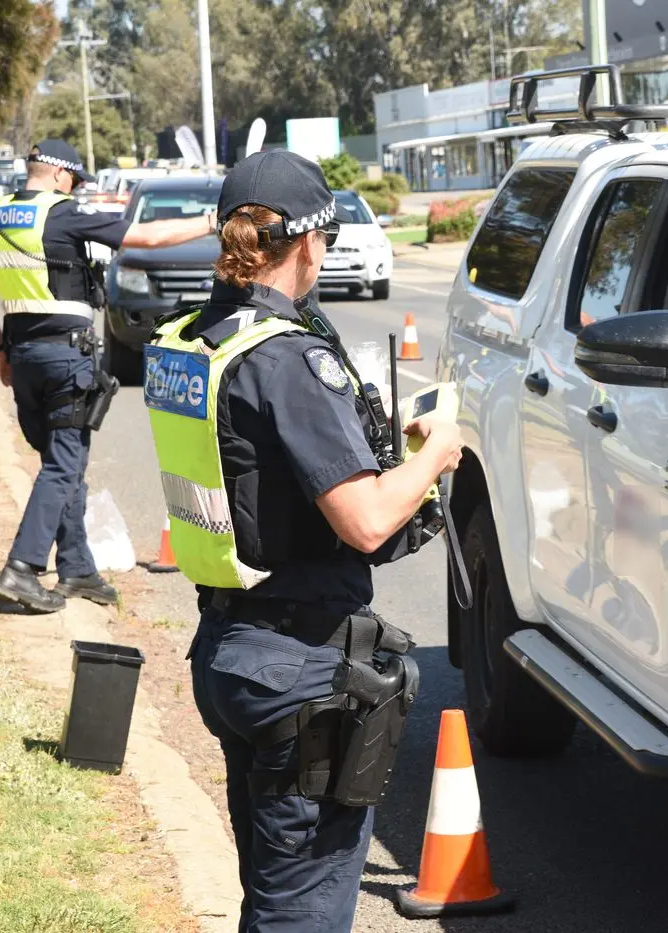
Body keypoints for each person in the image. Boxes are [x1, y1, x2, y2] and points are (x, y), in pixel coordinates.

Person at [145, 149, 463, 932]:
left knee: (273, 900)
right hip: (297, 667)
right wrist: (435, 454)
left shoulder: (195, 338)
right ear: (313, 244)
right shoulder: (288, 358)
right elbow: (364, 520)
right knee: (303, 916)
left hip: (227, 647)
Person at [0, 138, 216, 613]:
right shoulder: (65, 214)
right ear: (60, 175)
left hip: (22, 361)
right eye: (74, 180)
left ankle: (78, 568)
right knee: (63, 467)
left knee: (64, 466)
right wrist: (210, 222)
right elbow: (147, 237)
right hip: (66, 362)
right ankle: (22, 568)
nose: (75, 188)